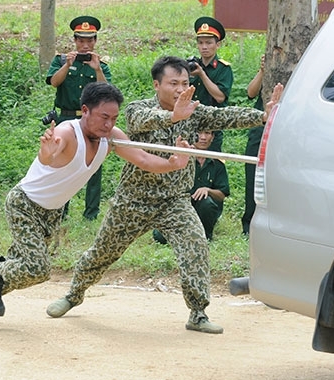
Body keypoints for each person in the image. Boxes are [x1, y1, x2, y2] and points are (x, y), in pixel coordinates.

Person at [46, 56, 283, 335]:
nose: (181, 88)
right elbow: (143, 121)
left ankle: (197, 313)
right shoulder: (137, 110)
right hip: (134, 199)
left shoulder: (194, 111)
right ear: (157, 85)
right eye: (173, 83)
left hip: (175, 200)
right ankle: (73, 295)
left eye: (185, 82)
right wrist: (173, 116)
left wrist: (262, 116)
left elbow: (224, 115)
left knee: (195, 246)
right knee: (102, 253)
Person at [0, 82, 190, 327]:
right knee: (37, 268)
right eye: (103, 117)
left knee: (21, 266)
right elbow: (48, 156)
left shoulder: (109, 137)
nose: (109, 124)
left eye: (114, 118)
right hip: (24, 204)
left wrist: (173, 164)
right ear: (85, 110)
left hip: (51, 211)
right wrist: (46, 152)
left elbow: (143, 158)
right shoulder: (67, 132)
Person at [46, 15, 111, 221]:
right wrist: (67, 65)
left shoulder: (100, 64)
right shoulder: (61, 60)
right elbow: (54, 83)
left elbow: (106, 91)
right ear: (74, 40)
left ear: (95, 41)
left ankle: (90, 214)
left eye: (89, 40)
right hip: (66, 118)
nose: (85, 45)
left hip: (91, 121)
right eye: (81, 40)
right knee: (62, 162)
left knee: (94, 164)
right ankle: (60, 209)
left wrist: (97, 69)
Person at [153, 130, 229, 243]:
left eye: (207, 133)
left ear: (212, 137)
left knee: (207, 203)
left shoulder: (217, 164)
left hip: (202, 209)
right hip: (181, 206)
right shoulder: (180, 159)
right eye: (199, 133)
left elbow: (222, 194)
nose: (203, 137)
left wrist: (208, 190)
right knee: (160, 238)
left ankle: (205, 236)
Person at [189, 16, 233, 152]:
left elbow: (220, 97)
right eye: (201, 43)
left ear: (217, 45)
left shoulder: (223, 69)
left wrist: (202, 74)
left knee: (211, 164)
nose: (204, 47)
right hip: (191, 124)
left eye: (208, 43)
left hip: (212, 127)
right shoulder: (191, 66)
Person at [241, 54, 265, 235]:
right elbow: (251, 92)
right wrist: (263, 70)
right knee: (252, 171)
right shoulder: (268, 69)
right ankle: (249, 222)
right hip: (260, 126)